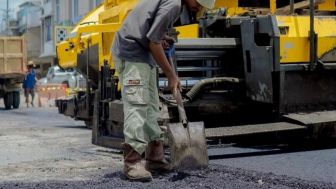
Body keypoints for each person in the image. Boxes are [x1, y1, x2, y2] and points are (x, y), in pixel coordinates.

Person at [112, 0, 215, 182]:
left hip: (143, 55)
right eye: (199, 3)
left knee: (152, 106)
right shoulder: (174, 5)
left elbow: (153, 35)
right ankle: (132, 162)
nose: (199, 7)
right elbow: (153, 42)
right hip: (133, 53)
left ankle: (155, 158)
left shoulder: (173, 3)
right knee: (138, 106)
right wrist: (171, 75)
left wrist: (162, 39)